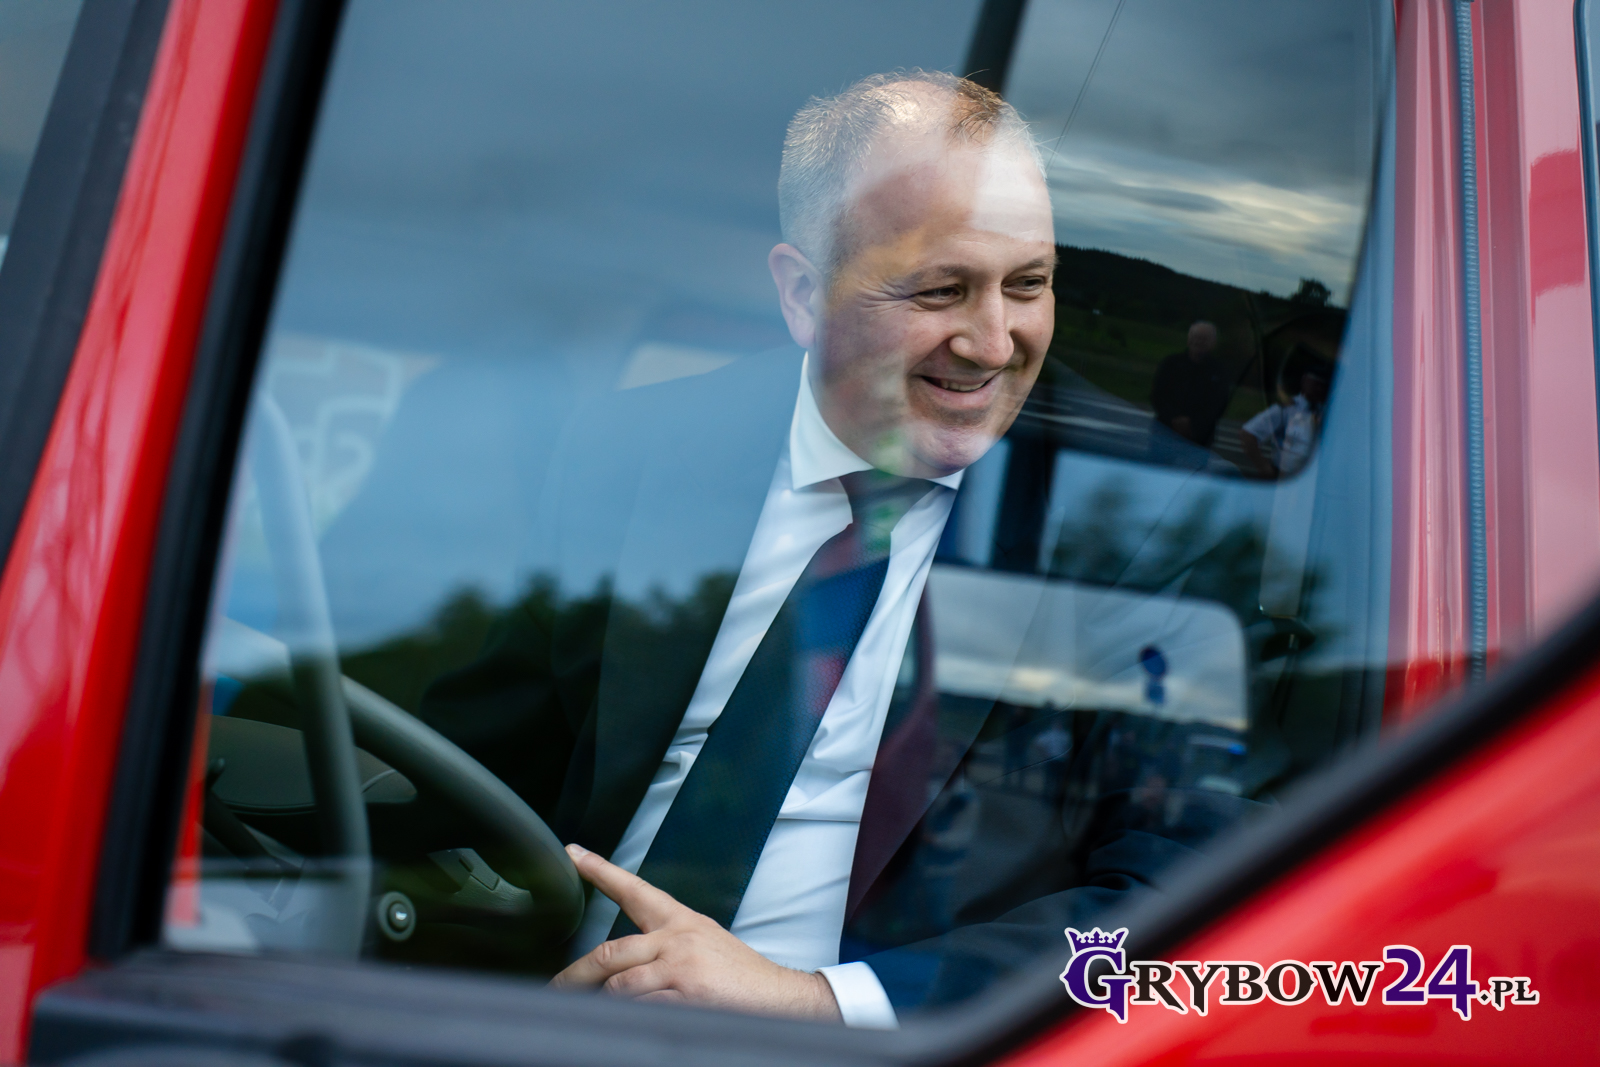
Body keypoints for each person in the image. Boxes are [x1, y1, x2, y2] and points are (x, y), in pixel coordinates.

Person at [420, 71, 1257, 1026]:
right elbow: (471, 767)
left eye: (1028, 284)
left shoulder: (1137, 518)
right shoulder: (635, 449)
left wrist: (817, 1004)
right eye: (942, 290)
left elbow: (1185, 891)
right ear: (802, 292)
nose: (994, 343)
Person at [1239, 348, 1332, 478]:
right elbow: (1248, 434)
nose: (1320, 389)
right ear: (1304, 381)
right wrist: (1264, 468)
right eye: (1316, 383)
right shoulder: (1286, 409)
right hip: (1284, 476)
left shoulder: (1329, 412)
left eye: (1324, 385)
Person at [1149, 321, 1230, 447]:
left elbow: (1219, 403)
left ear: (1213, 342)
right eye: (1195, 337)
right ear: (1188, 339)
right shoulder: (1171, 364)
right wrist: (1173, 418)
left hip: (1199, 437)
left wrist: (1193, 423)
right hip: (1164, 431)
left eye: (1204, 339)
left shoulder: (1220, 371)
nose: (1199, 342)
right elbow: (1157, 394)